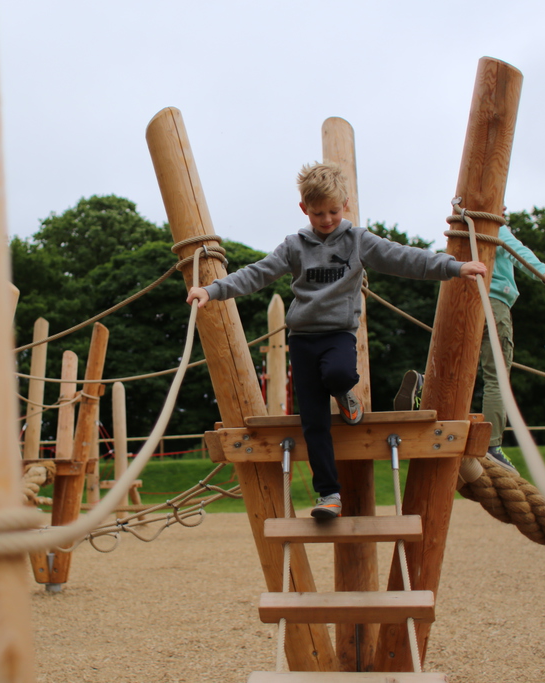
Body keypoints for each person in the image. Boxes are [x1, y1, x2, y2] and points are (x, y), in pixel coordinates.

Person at [186, 162, 486, 519]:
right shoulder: (295, 246)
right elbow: (259, 273)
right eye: (317, 213)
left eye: (333, 211)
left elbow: (404, 257)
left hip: (339, 334)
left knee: (340, 374)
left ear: (345, 204)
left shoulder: (357, 241)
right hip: (302, 338)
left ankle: (346, 395)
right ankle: (328, 494)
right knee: (314, 421)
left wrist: (455, 266)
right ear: (304, 210)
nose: (326, 219)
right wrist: (212, 290)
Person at [392, 221, 545, 474]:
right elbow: (519, 252)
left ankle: (423, 383)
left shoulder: (460, 231)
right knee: (497, 376)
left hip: (459, 300)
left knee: (454, 365)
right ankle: (492, 446)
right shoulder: (494, 226)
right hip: (492, 302)